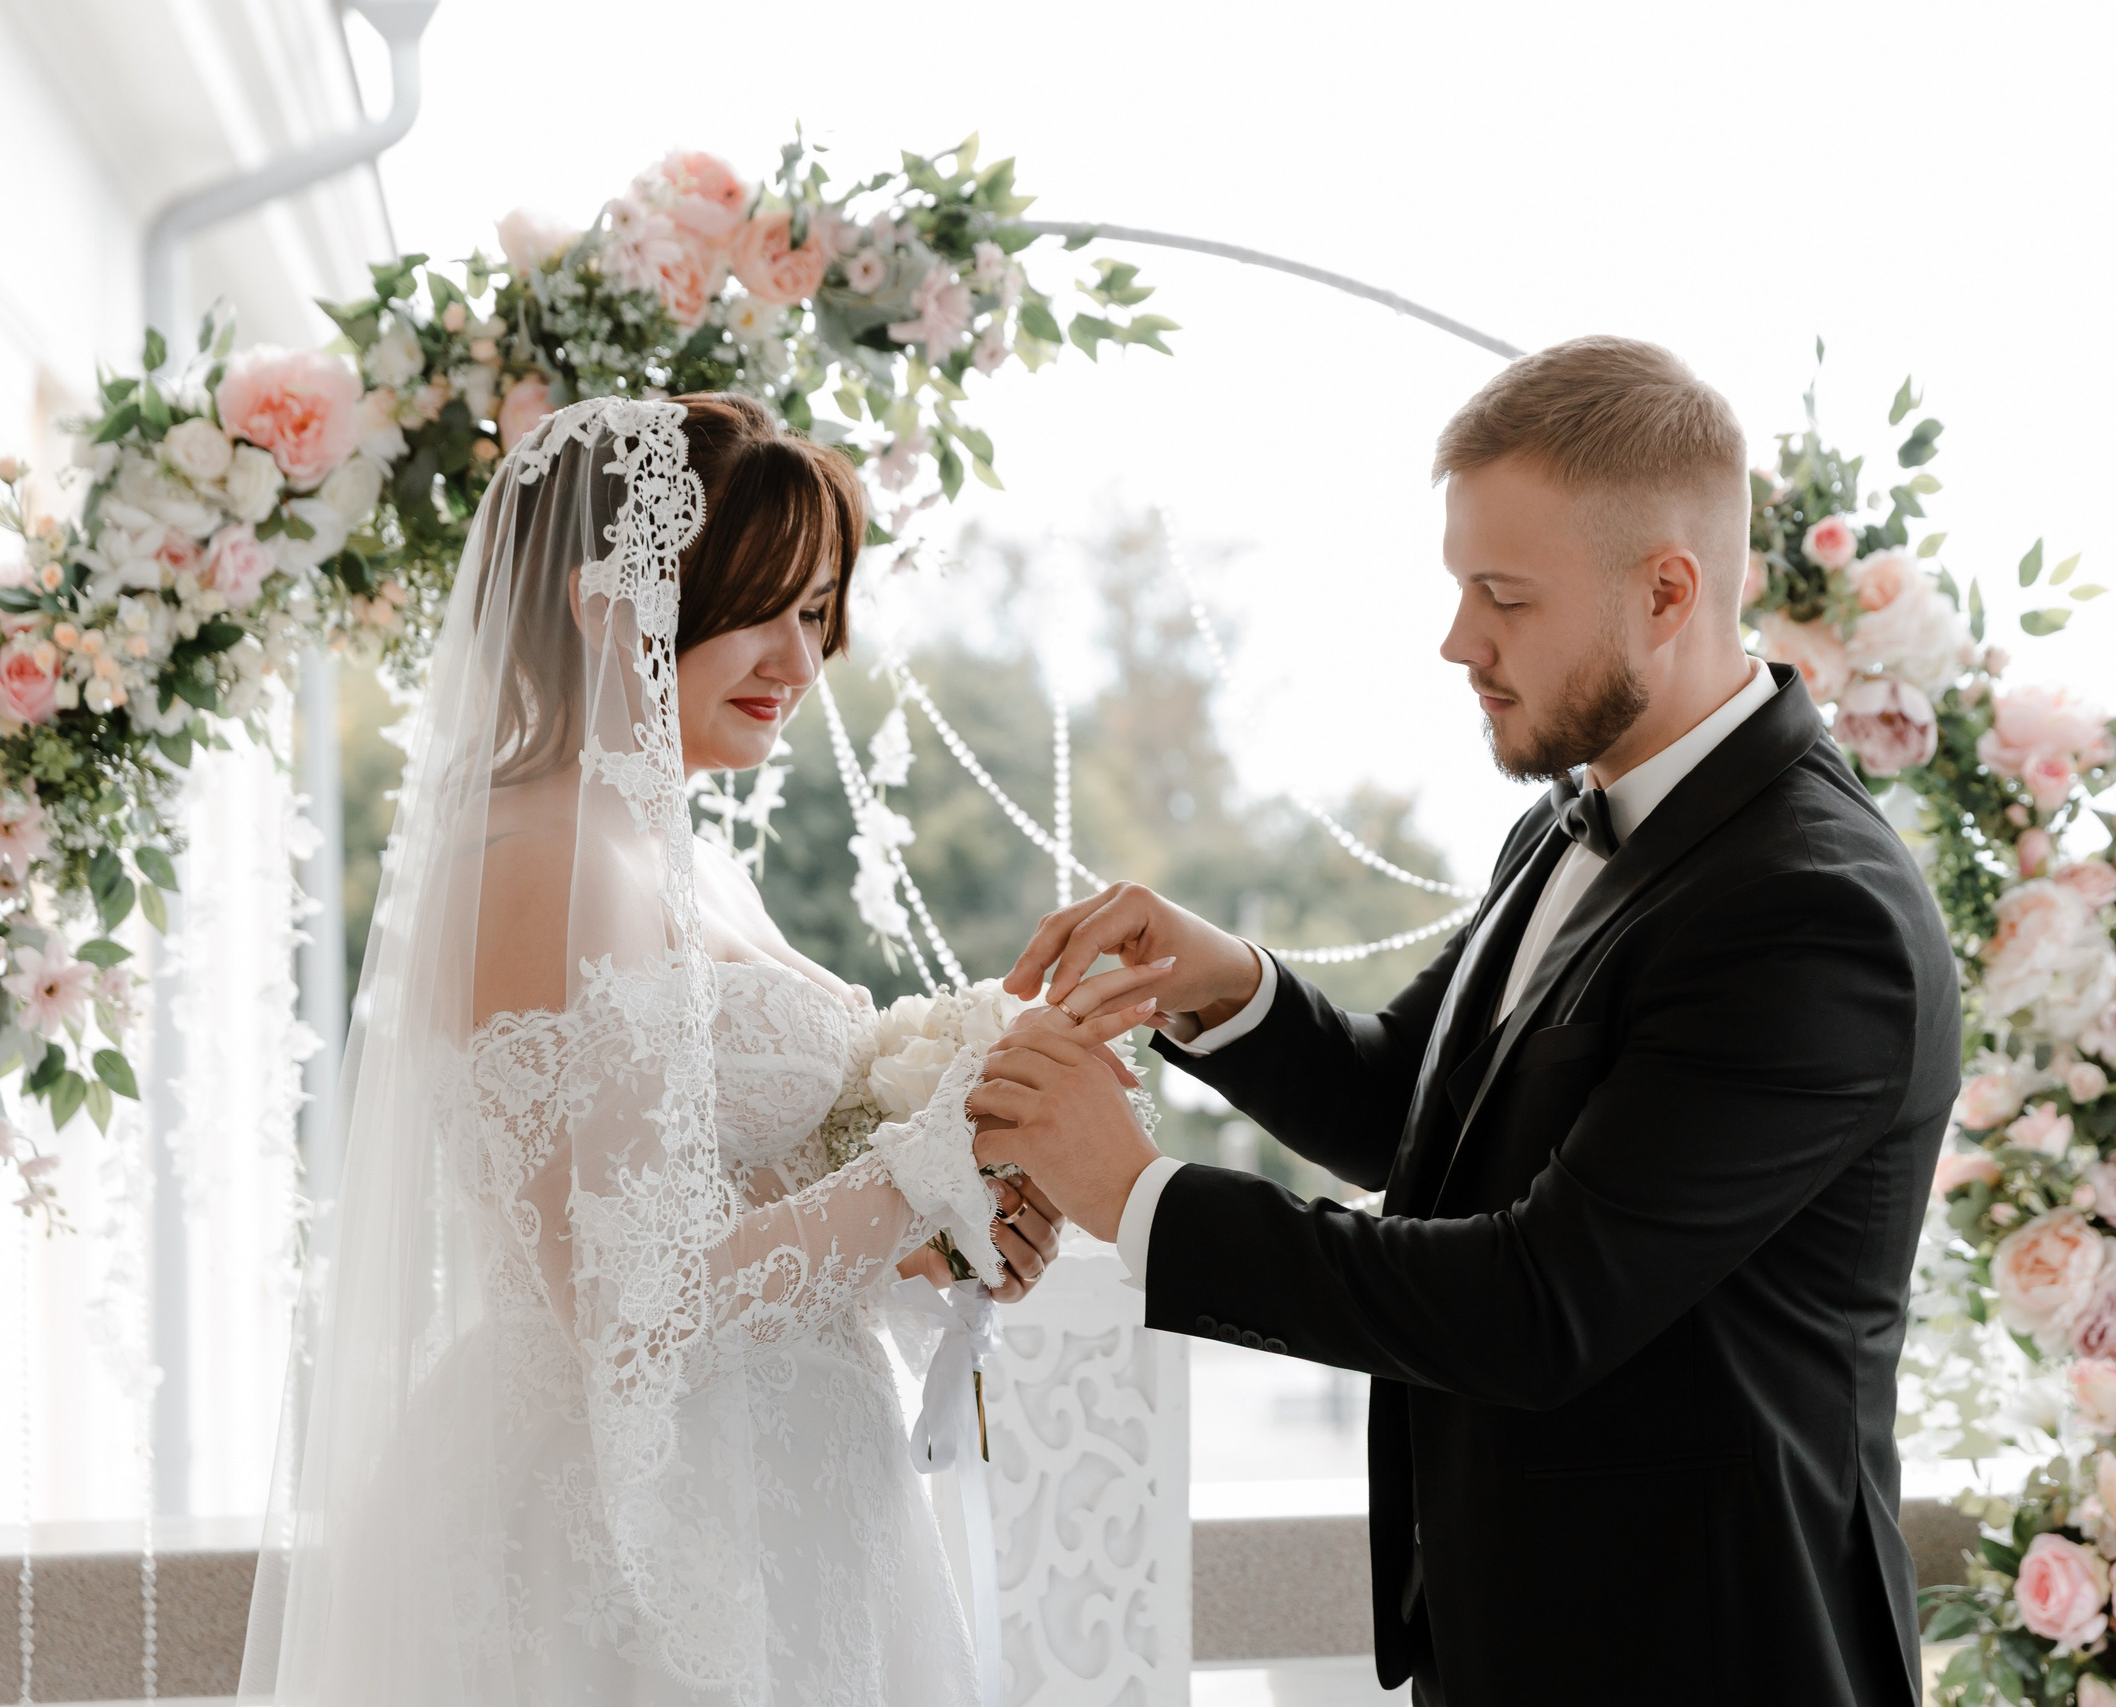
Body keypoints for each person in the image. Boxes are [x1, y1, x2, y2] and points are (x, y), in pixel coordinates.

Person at [974, 337, 1963, 1704]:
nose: (1459, 641)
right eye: (1459, 589)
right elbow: (1410, 1119)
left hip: (1706, 1656)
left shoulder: (1809, 916)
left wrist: (1137, 1196)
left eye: (1502, 597)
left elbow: (1536, 1304)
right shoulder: (1563, 825)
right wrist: (1225, 986)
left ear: (1667, 589)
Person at [238, 392, 1161, 1706]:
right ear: (607, 606)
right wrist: (929, 1163)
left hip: (792, 1482)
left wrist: (941, 1231)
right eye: (760, 607)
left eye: (817, 614)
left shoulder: (689, 855)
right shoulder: (533, 858)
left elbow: (730, 1207)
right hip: (620, 1523)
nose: (798, 657)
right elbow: (625, 1300)